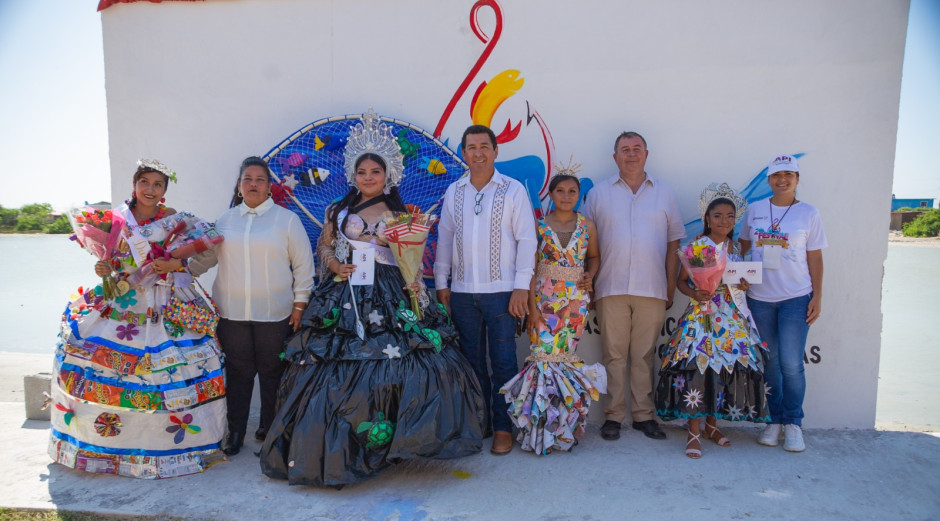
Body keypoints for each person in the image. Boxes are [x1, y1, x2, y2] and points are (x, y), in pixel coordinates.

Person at [259, 111, 485, 487]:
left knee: (404, 359)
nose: (368, 178)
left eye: (375, 173)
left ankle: (394, 441)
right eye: (362, 172)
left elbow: (408, 257)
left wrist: (414, 284)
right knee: (338, 361)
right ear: (354, 175)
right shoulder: (337, 210)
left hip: (389, 291)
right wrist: (334, 266)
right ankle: (340, 447)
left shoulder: (400, 212)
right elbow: (325, 248)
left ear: (387, 176)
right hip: (346, 293)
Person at [49, 159, 227, 478]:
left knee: (170, 373)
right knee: (109, 369)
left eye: (158, 184)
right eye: (145, 182)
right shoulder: (116, 220)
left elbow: (211, 248)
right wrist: (103, 270)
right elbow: (112, 269)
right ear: (135, 185)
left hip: (167, 302)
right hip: (125, 303)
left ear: (164, 191)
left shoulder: (175, 219)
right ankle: (107, 446)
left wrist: (177, 267)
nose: (150, 189)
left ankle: (170, 448)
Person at [189, 157, 315, 456]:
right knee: (238, 373)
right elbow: (206, 258)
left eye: (260, 179)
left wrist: (299, 306)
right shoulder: (225, 219)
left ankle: (269, 430)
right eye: (248, 178)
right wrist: (174, 270)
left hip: (275, 313)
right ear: (239, 185)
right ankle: (236, 432)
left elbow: (303, 266)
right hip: (231, 313)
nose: (253, 184)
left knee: (273, 373)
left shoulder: (286, 220)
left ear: (270, 186)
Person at [434, 124, 538, 455]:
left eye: (484, 146)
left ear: (495, 151)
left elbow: (527, 240)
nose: (478, 152)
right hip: (463, 293)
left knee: (504, 361)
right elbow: (446, 239)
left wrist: (521, 288)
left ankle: (504, 427)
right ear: (464, 153)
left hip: (502, 293)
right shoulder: (455, 191)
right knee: (471, 362)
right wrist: (441, 282)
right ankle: (480, 422)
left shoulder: (512, 190)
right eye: (471, 147)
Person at [581, 131, 686, 441]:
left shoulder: (664, 193)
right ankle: (613, 416)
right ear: (615, 157)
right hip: (610, 286)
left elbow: (673, 243)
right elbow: (585, 243)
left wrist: (670, 285)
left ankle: (643, 415)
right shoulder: (599, 194)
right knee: (613, 355)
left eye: (636, 149)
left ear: (646, 154)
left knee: (643, 355)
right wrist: (588, 286)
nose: (630, 154)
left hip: (652, 287)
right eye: (624, 150)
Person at [655, 183, 771, 458]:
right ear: (708, 218)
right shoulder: (697, 247)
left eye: (730, 216)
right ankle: (693, 430)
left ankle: (712, 425)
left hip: (730, 315)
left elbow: (739, 279)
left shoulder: (737, 247)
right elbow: (683, 282)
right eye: (718, 215)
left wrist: (743, 284)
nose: (724, 221)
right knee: (698, 366)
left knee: (723, 369)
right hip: (702, 313)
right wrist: (694, 292)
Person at [500, 165, 605, 455]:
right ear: (551, 194)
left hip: (575, 302)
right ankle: (538, 430)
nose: (567, 195)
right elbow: (530, 268)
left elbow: (594, 257)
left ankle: (563, 429)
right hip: (544, 303)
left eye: (573, 191)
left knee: (564, 362)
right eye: (561, 190)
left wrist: (590, 275)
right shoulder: (539, 225)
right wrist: (533, 310)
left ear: (579, 195)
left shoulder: (588, 226)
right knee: (543, 360)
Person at [740, 154, 826, 452]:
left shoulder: (809, 213)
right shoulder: (754, 210)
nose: (782, 180)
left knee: (791, 364)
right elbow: (744, 247)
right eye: (777, 175)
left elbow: (814, 256)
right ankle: (773, 420)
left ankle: (793, 423)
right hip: (760, 299)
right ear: (769, 180)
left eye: (789, 174)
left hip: (795, 298)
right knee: (771, 364)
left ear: (797, 179)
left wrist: (818, 295)